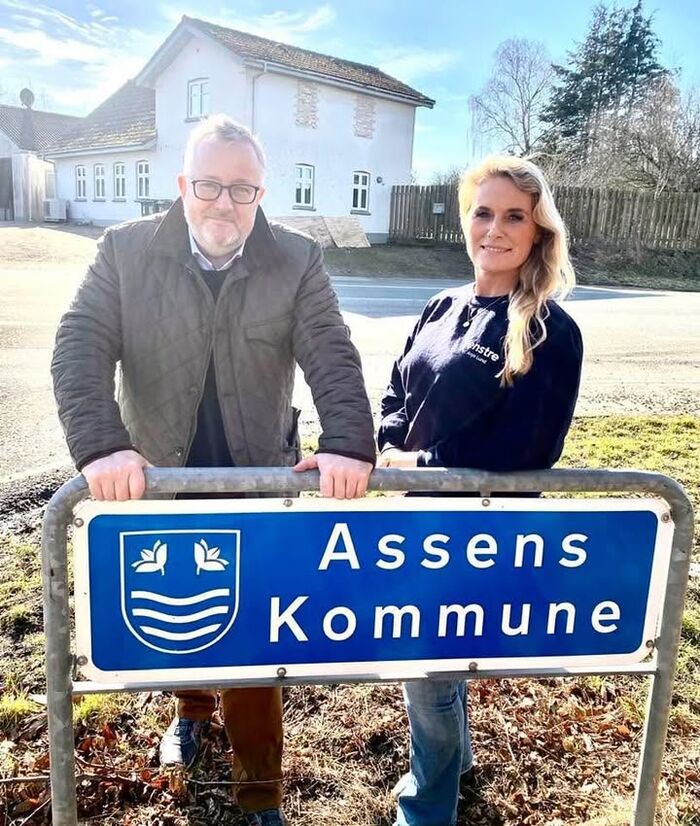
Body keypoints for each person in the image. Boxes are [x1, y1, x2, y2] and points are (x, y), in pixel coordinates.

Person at [51, 115, 375, 826]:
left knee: (255, 638)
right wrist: (102, 446)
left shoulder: (296, 259)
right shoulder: (125, 251)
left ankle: (260, 791)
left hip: (256, 482)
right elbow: (79, 345)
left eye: (241, 189)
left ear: (261, 193)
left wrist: (349, 441)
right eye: (208, 185)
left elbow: (330, 350)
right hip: (157, 479)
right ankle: (193, 711)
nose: (224, 202)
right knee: (182, 613)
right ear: (181, 185)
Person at [377, 155, 584, 826]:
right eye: (483, 212)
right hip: (417, 521)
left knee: (425, 667)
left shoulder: (550, 329)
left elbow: (528, 448)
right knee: (435, 663)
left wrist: (420, 461)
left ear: (538, 231)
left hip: (482, 534)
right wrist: (389, 442)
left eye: (514, 216)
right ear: (466, 220)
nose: (495, 229)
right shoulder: (442, 305)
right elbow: (397, 387)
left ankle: (426, 807)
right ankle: (457, 762)